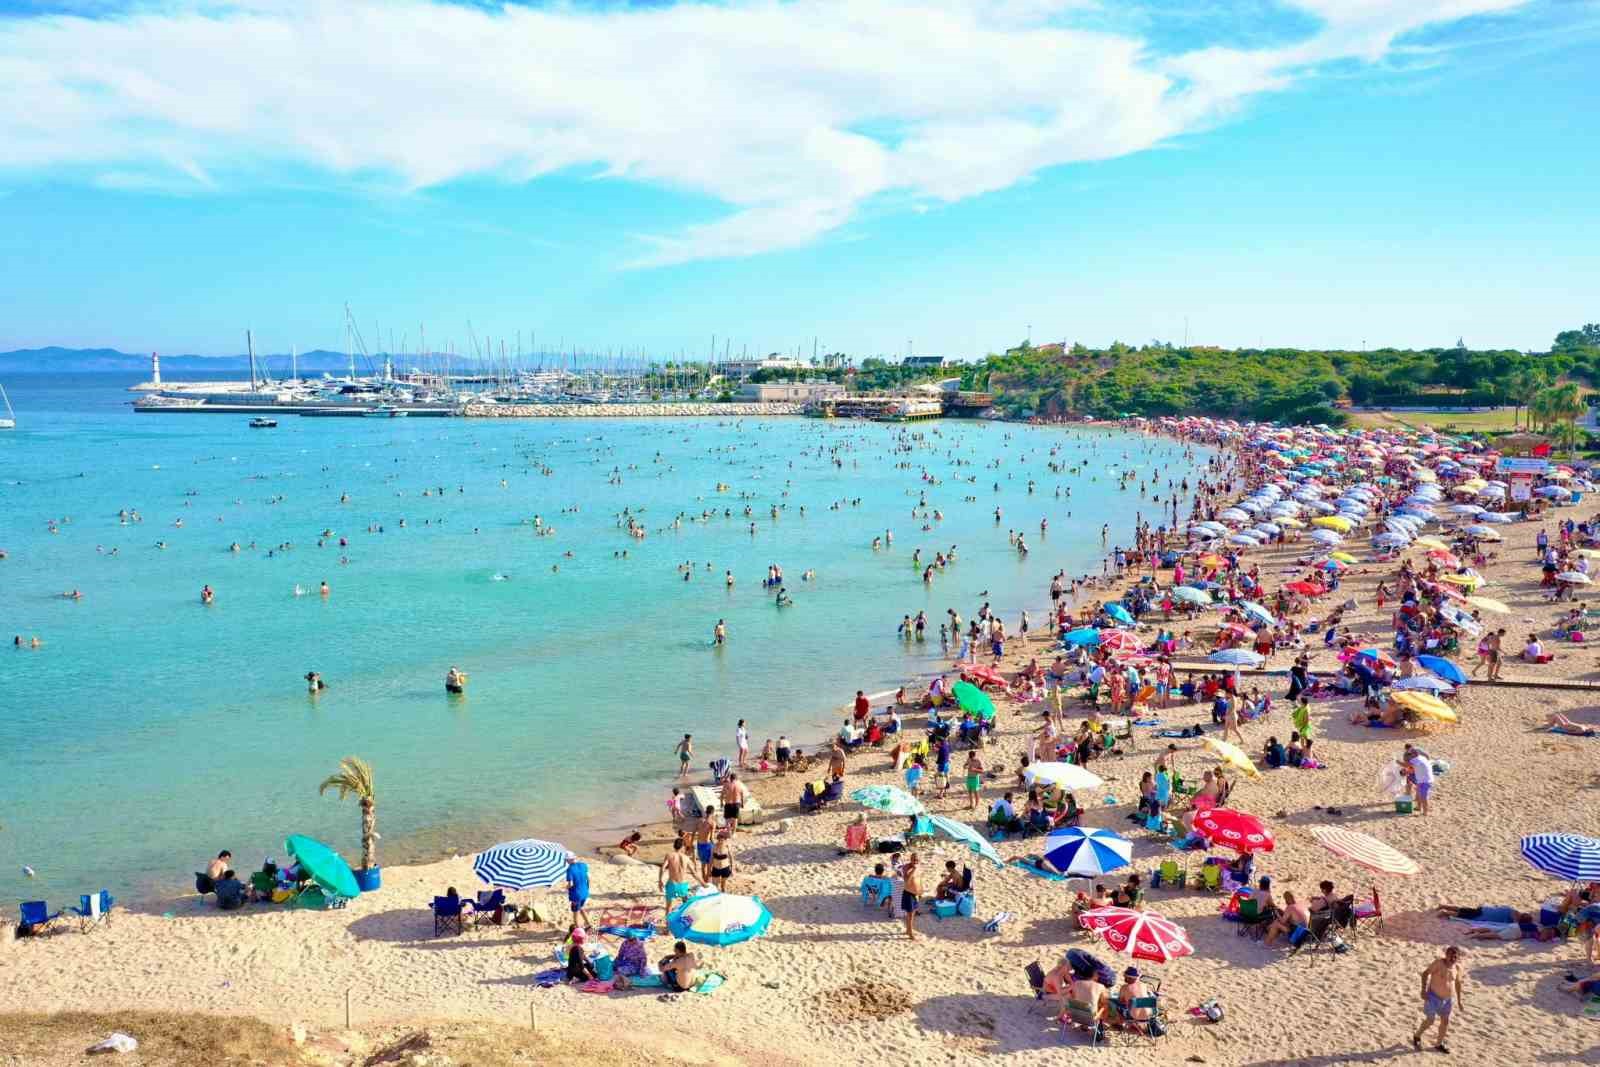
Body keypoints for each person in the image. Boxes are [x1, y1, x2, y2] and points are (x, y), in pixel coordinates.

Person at [1412, 946, 1464, 1053]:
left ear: (1458, 957)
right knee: (1430, 1021)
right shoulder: (1438, 963)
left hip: (1448, 1000)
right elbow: (1425, 974)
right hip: (1433, 997)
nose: (1453, 958)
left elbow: (1458, 983)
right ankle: (1417, 1036)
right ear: (1446, 955)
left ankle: (1439, 1044)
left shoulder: (1458, 968)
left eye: (1455, 956)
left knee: (1445, 1021)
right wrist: (1423, 990)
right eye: (1450, 955)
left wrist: (1459, 1001)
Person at [658, 838, 701, 908]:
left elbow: (663, 868)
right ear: (682, 847)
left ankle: (668, 915)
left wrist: (660, 880)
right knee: (686, 906)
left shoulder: (669, 855)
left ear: (674, 846)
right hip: (682, 885)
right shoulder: (686, 858)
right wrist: (703, 883)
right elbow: (694, 873)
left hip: (672, 884)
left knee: (669, 907)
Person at [1115, 967, 1153, 1033]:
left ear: (1129, 978)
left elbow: (1120, 1001)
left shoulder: (1124, 987)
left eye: (1125, 976)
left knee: (1118, 1006)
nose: (1124, 978)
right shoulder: (1144, 985)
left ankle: (1120, 1024)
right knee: (1138, 1003)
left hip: (1134, 1016)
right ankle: (1137, 1025)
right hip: (1149, 1015)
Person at [565, 852, 592, 930]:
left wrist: (566, 887)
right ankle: (588, 924)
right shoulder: (583, 865)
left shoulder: (570, 869)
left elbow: (571, 884)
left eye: (566, 860)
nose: (566, 861)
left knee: (575, 913)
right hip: (585, 893)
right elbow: (589, 878)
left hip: (576, 895)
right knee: (581, 908)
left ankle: (578, 930)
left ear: (569, 860)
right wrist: (587, 888)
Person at [1406, 745, 1436, 816]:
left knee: (1423, 797)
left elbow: (1406, 765)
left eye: (1410, 754)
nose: (1409, 756)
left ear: (1414, 754)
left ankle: (1425, 812)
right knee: (1419, 794)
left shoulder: (1416, 760)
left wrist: (1397, 762)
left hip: (1426, 781)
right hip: (1422, 780)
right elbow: (1412, 769)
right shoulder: (1421, 758)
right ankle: (1419, 807)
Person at [901, 853, 923, 940]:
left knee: (912, 913)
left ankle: (908, 930)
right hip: (908, 893)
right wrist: (913, 870)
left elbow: (919, 880)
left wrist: (920, 892)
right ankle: (910, 933)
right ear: (911, 859)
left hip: (915, 894)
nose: (915, 861)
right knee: (910, 914)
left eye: (917, 860)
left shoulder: (919, 867)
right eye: (914, 859)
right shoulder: (906, 867)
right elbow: (906, 881)